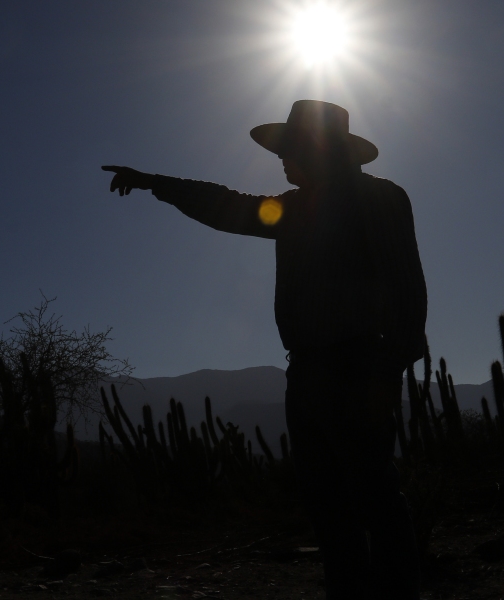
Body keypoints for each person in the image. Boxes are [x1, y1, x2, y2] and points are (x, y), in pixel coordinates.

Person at [104, 100, 426, 599]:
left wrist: (389, 369)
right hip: (311, 370)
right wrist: (154, 183)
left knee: (371, 490)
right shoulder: (296, 209)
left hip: (361, 364)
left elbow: (408, 288)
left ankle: (395, 591)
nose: (281, 161)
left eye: (288, 150)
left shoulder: (378, 199)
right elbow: (227, 207)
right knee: (328, 496)